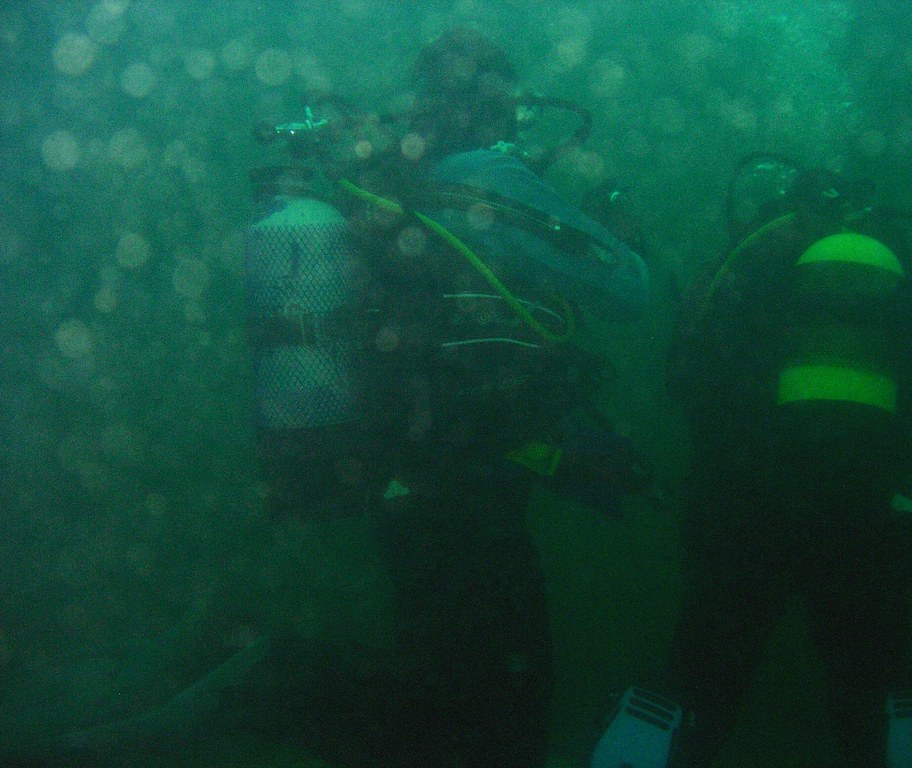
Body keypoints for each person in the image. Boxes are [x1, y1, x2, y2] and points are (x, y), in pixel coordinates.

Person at [243, 28, 651, 768]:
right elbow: (628, 289)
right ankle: (266, 679)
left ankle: (268, 679)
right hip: (471, 489)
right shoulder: (487, 179)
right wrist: (621, 232)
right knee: (499, 707)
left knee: (442, 692)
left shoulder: (396, 187)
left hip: (405, 475)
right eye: (512, 103)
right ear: (496, 104)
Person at [664, 161, 912, 766]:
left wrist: (736, 457)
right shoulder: (898, 268)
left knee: (692, 692)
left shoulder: (752, 256)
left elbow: (687, 377)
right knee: (875, 691)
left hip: (744, 509)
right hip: (865, 510)